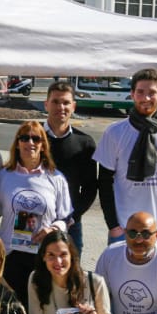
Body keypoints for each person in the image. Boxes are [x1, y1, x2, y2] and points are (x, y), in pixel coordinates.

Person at [94, 68, 157, 245]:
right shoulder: (114, 132)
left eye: (152, 93)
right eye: (140, 92)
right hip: (123, 228)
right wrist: (113, 225)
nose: (146, 98)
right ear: (132, 94)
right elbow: (104, 181)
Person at [0, 120, 72, 306]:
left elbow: (66, 216)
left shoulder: (56, 178)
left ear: (43, 145)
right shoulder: (4, 174)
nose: (30, 143)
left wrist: (52, 229)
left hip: (43, 254)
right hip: (11, 253)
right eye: (24, 138)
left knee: (41, 307)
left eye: (36, 138)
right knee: (10, 309)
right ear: (17, 143)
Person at [43, 81, 98, 251]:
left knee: (70, 276)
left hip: (70, 225)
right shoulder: (30, 136)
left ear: (73, 106)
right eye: (55, 102)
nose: (61, 107)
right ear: (46, 104)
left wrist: (70, 218)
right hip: (35, 222)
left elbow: (90, 188)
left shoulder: (85, 143)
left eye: (66, 102)